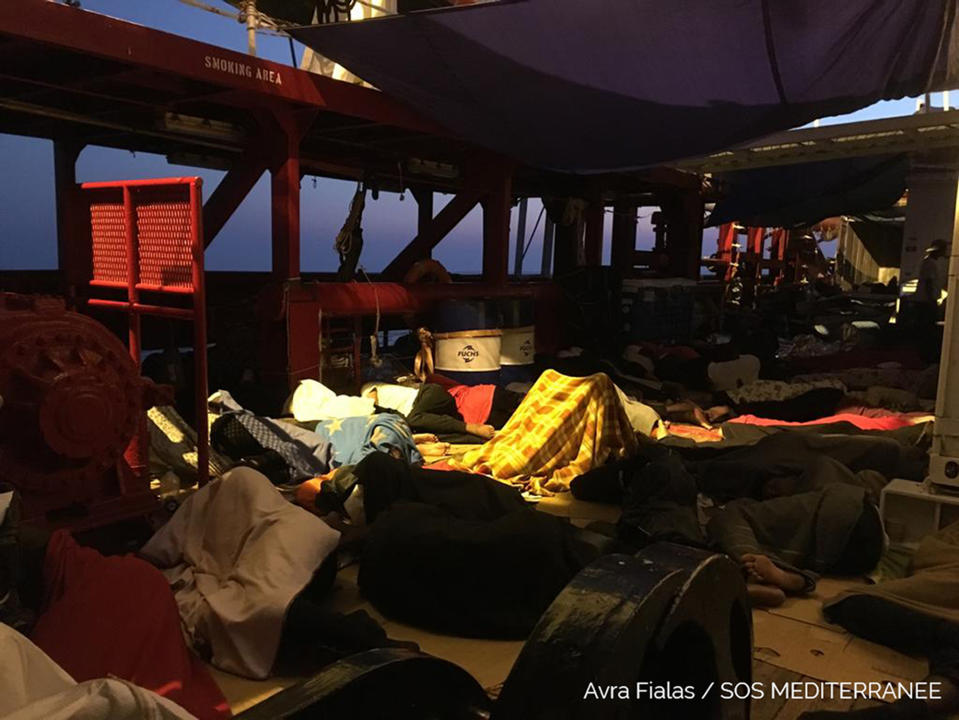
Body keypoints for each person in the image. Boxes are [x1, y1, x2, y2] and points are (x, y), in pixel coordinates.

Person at [914, 238, 947, 360]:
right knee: (927, 329)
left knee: (926, 329)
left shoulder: (929, 262)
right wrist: (932, 301)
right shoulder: (930, 264)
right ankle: (925, 355)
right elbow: (929, 283)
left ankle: (924, 353)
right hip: (926, 302)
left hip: (926, 301)